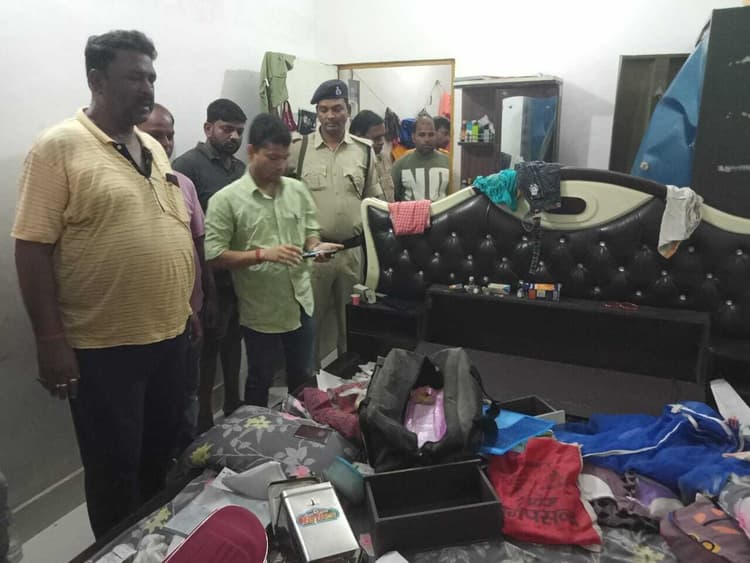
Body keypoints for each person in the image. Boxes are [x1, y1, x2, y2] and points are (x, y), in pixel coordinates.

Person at [12, 30, 194, 538]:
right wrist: (51, 340)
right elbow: (31, 248)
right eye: (134, 77)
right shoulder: (58, 146)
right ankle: (117, 548)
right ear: (96, 80)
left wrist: (188, 307)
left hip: (170, 336)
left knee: (160, 455)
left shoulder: (152, 146)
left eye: (151, 77)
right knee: (115, 469)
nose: (147, 87)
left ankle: (152, 543)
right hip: (106, 348)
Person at [205, 113, 342, 406]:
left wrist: (315, 247)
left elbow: (310, 231)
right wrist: (262, 254)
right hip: (261, 312)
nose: (280, 165)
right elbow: (214, 255)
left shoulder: (297, 190)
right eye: (272, 158)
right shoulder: (226, 200)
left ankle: (299, 429)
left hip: (301, 303)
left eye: (284, 158)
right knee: (260, 378)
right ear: (251, 152)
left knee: (302, 377)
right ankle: (257, 429)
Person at [288, 80, 383, 366]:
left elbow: (373, 202)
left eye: (337, 109)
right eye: (324, 109)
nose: (330, 116)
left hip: (352, 253)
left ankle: (348, 384)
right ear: (317, 112)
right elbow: (286, 202)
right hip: (314, 255)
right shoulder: (299, 149)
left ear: (348, 110)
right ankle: (309, 385)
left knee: (352, 326)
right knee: (310, 327)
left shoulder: (364, 150)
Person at [139, 103, 216, 451]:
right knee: (150, 408)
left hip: (187, 315)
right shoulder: (126, 186)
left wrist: (206, 301)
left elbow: (199, 245)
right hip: (144, 324)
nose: (166, 143)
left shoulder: (182, 183)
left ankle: (185, 461)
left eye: (170, 135)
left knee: (186, 394)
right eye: (156, 135)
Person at [173, 99, 246, 431]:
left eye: (239, 131)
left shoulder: (240, 169)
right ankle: (203, 421)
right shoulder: (187, 167)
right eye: (227, 129)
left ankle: (234, 405)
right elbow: (188, 233)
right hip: (207, 280)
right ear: (208, 128)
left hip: (238, 276)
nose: (234, 137)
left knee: (233, 345)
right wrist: (206, 291)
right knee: (206, 353)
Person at [392, 115, 451, 201]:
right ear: (413, 137)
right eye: (422, 135)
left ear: (435, 136)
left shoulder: (448, 162)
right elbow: (393, 197)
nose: (427, 139)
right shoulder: (400, 165)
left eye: (431, 135)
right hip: (409, 210)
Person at [350, 110, 395, 202]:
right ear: (359, 137)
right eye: (376, 138)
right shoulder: (350, 164)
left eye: (382, 137)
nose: (382, 142)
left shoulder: (384, 158)